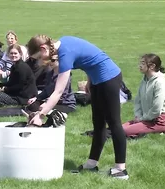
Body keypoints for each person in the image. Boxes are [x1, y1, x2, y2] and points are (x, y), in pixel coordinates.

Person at [26, 35, 128, 179]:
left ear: (43, 48)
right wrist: (90, 80)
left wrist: (41, 115)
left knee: (114, 122)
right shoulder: (62, 42)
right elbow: (89, 57)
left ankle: (121, 170)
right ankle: (92, 164)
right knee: (98, 123)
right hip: (97, 80)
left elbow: (58, 92)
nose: (41, 60)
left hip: (109, 78)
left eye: (39, 56)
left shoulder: (65, 55)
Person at [123, 54, 165, 137]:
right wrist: (138, 116)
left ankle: (158, 130)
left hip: (158, 122)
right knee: (120, 128)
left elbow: (156, 109)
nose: (140, 66)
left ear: (152, 66)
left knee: (123, 131)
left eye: (143, 63)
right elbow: (138, 101)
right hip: (146, 119)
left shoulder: (160, 83)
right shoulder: (145, 80)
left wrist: (141, 119)